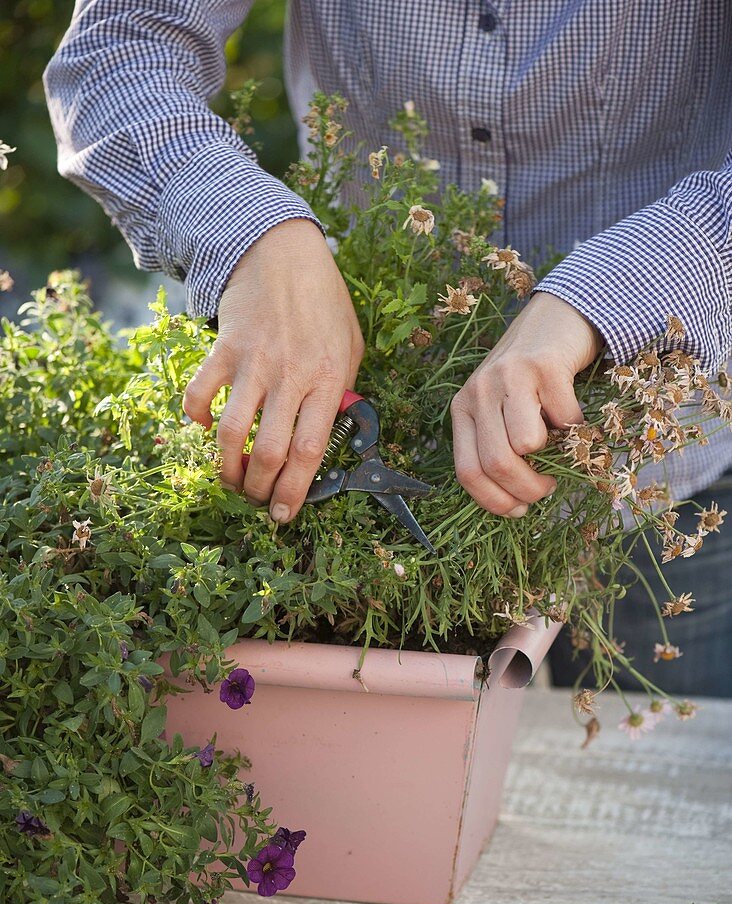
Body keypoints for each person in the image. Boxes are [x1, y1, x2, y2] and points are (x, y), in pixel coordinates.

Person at [44, 2, 732, 695]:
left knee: (660, 774)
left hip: (662, 473)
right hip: (373, 408)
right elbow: (118, 46)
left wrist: (610, 294)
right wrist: (250, 230)